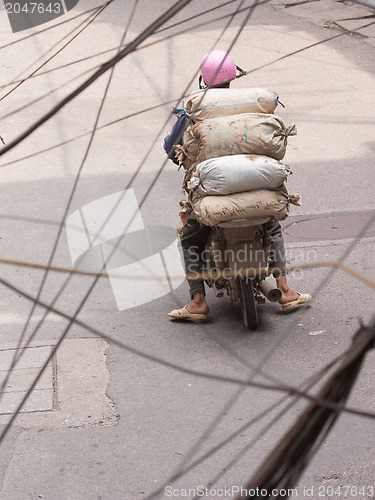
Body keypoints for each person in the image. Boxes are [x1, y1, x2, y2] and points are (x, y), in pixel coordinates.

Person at [164, 50, 311, 320]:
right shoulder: (252, 104)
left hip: (212, 190)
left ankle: (198, 302)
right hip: (257, 183)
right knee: (272, 226)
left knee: (189, 240)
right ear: (233, 77)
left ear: (203, 79)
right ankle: (285, 290)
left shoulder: (195, 109)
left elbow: (169, 145)